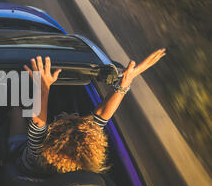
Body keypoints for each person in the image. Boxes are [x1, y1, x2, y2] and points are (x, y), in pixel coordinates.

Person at [9, 48, 166, 176]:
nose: (75, 115)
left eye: (71, 119)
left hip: (21, 158)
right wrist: (125, 82)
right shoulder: (80, 154)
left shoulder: (38, 154)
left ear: (54, 136)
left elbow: (37, 122)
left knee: (16, 109)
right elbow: (102, 114)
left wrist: (43, 85)